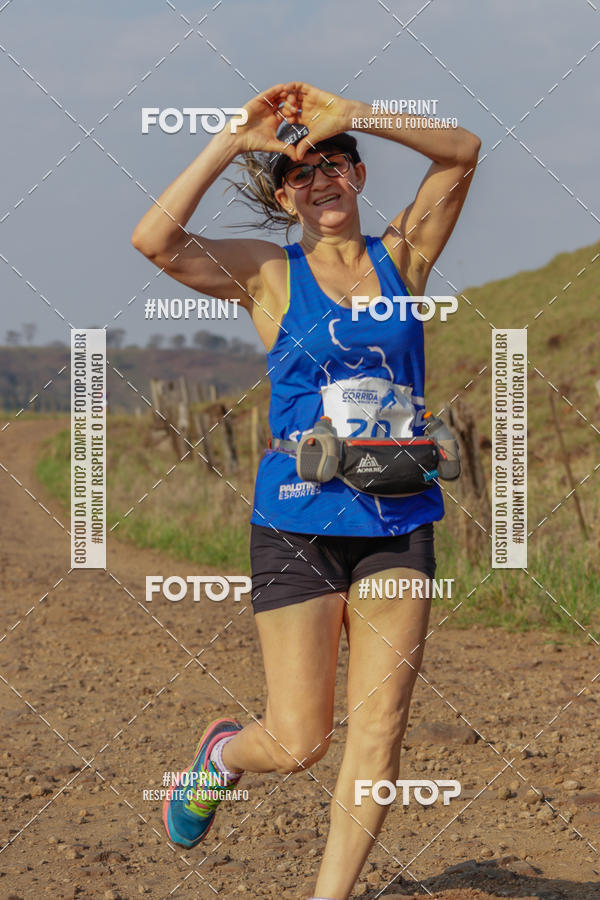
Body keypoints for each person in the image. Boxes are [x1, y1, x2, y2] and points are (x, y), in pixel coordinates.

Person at [132, 81, 480, 900]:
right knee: (298, 742)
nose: (322, 179)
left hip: (398, 508)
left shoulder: (406, 255)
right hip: (298, 515)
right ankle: (220, 755)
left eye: (336, 165)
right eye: (302, 174)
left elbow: (461, 151)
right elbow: (155, 240)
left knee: (382, 731)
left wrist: (350, 115)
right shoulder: (268, 273)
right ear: (285, 195)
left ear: (357, 176)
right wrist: (232, 141)